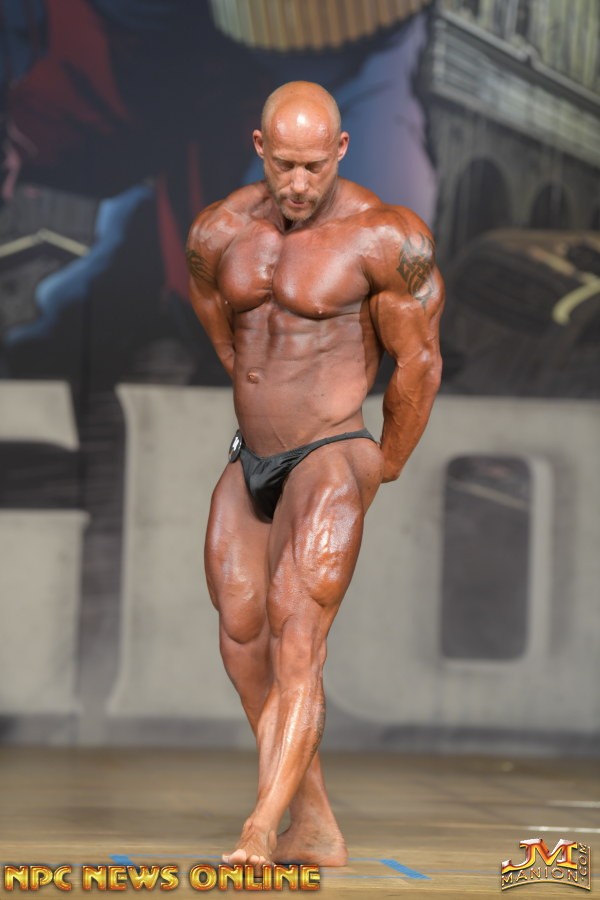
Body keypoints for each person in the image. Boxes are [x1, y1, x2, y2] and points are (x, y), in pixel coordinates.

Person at [186, 81, 444, 868]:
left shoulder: (385, 237)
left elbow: (419, 362)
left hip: (329, 451)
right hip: (252, 454)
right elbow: (220, 324)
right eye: (284, 165)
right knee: (243, 640)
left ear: (341, 150)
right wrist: (259, 397)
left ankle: (259, 830)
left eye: (314, 166)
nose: (298, 184)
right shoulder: (219, 230)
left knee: (298, 637)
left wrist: (382, 461)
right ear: (260, 148)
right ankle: (316, 822)